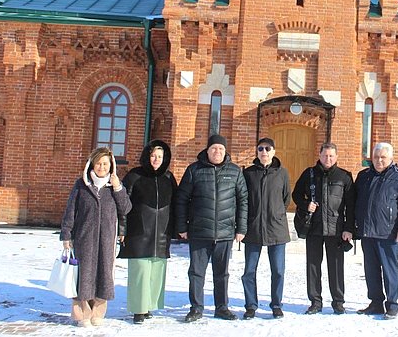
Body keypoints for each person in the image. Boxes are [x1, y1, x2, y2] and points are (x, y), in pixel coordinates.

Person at [174, 134, 248, 322]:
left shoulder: (235, 171)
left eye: (221, 149)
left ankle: (222, 307)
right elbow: (181, 199)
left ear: (225, 151)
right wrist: (182, 226)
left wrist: (241, 228)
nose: (217, 152)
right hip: (199, 231)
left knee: (222, 273)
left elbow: (243, 201)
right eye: (214, 148)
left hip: (225, 232)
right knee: (196, 272)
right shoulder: (194, 170)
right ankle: (196, 307)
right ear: (207, 151)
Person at [60, 147, 132, 327]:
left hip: (106, 238)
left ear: (111, 166)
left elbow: (126, 209)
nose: (102, 167)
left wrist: (118, 187)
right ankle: (82, 314)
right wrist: (66, 235)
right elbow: (71, 211)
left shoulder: (114, 186)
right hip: (84, 237)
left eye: (105, 163)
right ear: (92, 164)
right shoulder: (81, 184)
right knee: (83, 276)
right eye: (99, 163)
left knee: (103, 274)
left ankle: (98, 312)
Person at [354, 142, 398, 319]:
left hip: (389, 233)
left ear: (390, 158)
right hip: (367, 232)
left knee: (390, 270)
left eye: (383, 157)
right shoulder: (364, 176)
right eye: (376, 157)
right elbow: (355, 202)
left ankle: (392, 304)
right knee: (371, 270)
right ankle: (375, 303)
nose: (379, 160)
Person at [117, 140, 178, 324]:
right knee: (140, 271)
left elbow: (176, 205)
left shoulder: (168, 177)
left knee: (156, 270)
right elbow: (123, 205)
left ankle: (149, 305)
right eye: (153, 155)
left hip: (161, 232)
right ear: (147, 156)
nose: (156, 159)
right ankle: (138, 309)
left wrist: (176, 229)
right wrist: (122, 229)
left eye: (160, 156)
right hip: (138, 232)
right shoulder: (134, 175)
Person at [292, 142, 355, 315]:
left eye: (331, 156)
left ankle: (338, 302)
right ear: (319, 155)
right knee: (313, 266)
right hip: (314, 228)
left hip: (336, 230)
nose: (328, 158)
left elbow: (351, 206)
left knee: (336, 267)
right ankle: (315, 301)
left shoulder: (344, 177)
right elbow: (296, 195)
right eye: (325, 155)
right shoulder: (309, 174)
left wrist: (349, 228)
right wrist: (306, 205)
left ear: (336, 157)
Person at [241, 137, 291, 319]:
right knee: (249, 271)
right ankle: (251, 305)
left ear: (273, 151)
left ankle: (276, 305)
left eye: (267, 149)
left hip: (276, 229)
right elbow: (243, 199)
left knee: (278, 270)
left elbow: (286, 198)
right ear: (257, 152)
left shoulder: (282, 173)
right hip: (253, 228)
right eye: (260, 149)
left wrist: (275, 213)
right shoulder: (249, 173)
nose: (264, 152)